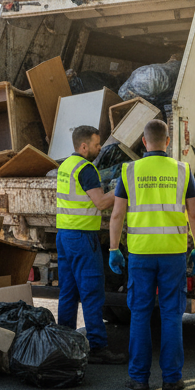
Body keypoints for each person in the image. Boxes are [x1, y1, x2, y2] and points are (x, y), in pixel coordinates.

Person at [108, 119, 195, 390]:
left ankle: (139, 378)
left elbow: (117, 214)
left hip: (141, 254)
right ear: (168, 141)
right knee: (171, 314)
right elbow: (194, 214)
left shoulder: (130, 171)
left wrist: (114, 249)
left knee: (140, 314)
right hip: (173, 254)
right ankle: (172, 378)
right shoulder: (182, 171)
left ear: (143, 141)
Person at [56, 125, 127, 365]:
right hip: (82, 238)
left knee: (67, 292)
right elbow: (101, 203)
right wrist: (123, 187)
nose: (99, 149)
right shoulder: (86, 169)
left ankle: (64, 344)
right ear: (84, 146)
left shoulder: (65, 165)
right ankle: (97, 347)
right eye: (97, 145)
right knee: (92, 293)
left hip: (64, 235)